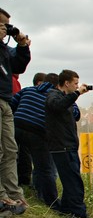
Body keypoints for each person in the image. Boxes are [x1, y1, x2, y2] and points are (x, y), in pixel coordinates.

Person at [45, 69, 90, 218]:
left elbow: (74, 114)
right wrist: (76, 94)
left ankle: (65, 209)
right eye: (75, 83)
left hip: (68, 145)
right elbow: (56, 105)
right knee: (74, 182)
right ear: (66, 83)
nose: (77, 86)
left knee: (70, 180)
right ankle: (78, 214)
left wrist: (74, 96)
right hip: (61, 146)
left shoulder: (65, 98)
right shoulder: (53, 95)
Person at [10, 73, 60, 209]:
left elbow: (11, 104)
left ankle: (14, 189)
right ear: (58, 85)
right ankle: (51, 202)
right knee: (45, 168)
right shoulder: (56, 96)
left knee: (10, 158)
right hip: (38, 132)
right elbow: (73, 113)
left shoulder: (27, 90)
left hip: (17, 126)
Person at [0, 7, 31, 215]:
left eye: (7, 25)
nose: (6, 29)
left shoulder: (3, 48)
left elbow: (18, 66)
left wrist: (22, 46)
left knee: (11, 150)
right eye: (2, 24)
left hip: (5, 99)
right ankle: (2, 195)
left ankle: (14, 193)